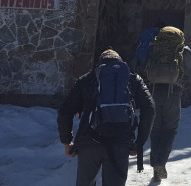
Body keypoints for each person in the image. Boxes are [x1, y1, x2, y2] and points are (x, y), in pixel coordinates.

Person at [58, 48, 155, 186]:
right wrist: (139, 143)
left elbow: (65, 110)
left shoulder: (87, 78)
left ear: (99, 64)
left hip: (89, 141)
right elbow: (150, 109)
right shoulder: (133, 79)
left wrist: (66, 141)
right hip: (120, 142)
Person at [135, 26, 191, 181]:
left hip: (154, 91)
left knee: (155, 128)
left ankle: (155, 166)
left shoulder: (153, 47)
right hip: (173, 92)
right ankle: (161, 162)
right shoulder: (181, 49)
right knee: (170, 128)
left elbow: (140, 62)